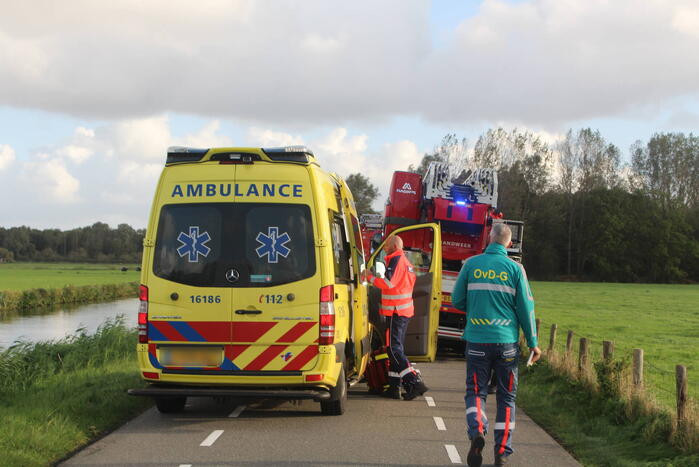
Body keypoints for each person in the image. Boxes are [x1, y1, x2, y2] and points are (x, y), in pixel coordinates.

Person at [452, 223, 541, 467]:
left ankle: (477, 430)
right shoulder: (516, 269)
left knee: (475, 392)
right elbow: (526, 308)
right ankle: (501, 453)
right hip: (507, 344)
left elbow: (457, 299)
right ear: (509, 244)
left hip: (477, 341)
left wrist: (477, 310)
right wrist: (533, 342)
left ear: (489, 239)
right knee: (506, 398)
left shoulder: (471, 264)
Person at [362, 235, 429, 401]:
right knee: (393, 349)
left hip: (396, 311)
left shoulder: (396, 260)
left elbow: (388, 284)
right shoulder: (404, 261)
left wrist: (368, 276)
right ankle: (394, 386)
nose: (384, 247)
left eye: (386, 245)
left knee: (393, 349)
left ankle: (414, 382)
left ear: (393, 246)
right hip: (401, 311)